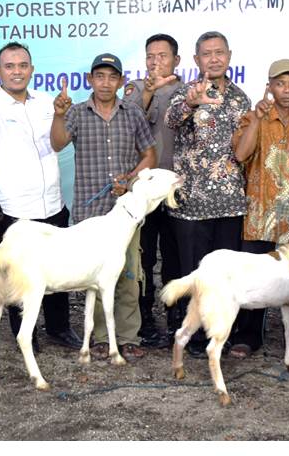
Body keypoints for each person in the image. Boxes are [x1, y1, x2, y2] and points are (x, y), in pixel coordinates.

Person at [0, 42, 82, 350]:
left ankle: (59, 328)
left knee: (57, 267)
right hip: (13, 207)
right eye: (9, 66)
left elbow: (58, 143)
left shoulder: (45, 102)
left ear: (31, 69)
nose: (16, 71)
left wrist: (60, 115)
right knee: (19, 273)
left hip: (53, 203)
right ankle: (25, 335)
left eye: (22, 65)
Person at [50, 53, 157, 358]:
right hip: (89, 212)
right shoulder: (77, 113)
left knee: (127, 274)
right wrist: (59, 115)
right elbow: (57, 143)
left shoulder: (133, 114)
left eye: (112, 77)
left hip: (125, 212)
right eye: (100, 76)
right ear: (90, 80)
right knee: (93, 277)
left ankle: (128, 336)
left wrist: (132, 180)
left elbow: (149, 155)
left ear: (121, 81)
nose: (106, 83)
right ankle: (98, 336)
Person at [228, 58, 289, 357]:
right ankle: (248, 336)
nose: (286, 89)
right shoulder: (252, 119)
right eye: (280, 83)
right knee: (254, 276)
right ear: (269, 87)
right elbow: (241, 155)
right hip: (257, 214)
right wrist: (257, 119)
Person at [164, 31, 251, 358]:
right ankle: (195, 337)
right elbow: (171, 121)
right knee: (196, 275)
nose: (213, 58)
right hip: (191, 205)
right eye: (206, 54)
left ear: (229, 55)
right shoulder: (186, 92)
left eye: (219, 52)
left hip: (230, 204)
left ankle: (220, 334)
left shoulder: (241, 98)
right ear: (196, 59)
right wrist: (191, 101)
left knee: (225, 278)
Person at [123, 33, 184, 347]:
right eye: (150, 55)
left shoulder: (189, 91)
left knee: (175, 258)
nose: (155, 61)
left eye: (162, 55)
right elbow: (128, 119)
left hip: (175, 191)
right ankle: (144, 319)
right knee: (142, 259)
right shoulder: (134, 88)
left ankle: (175, 318)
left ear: (176, 60)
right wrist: (147, 93)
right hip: (143, 192)